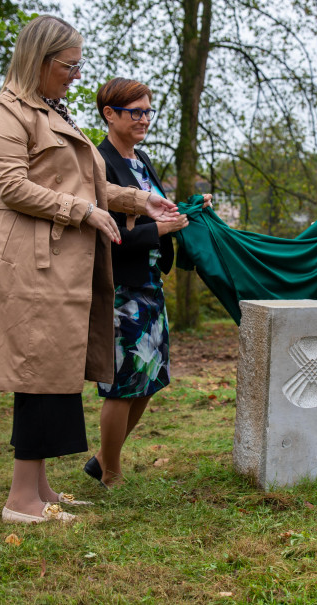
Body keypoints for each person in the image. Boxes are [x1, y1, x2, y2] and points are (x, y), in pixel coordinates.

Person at [0, 16, 178, 524]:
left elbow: (89, 183)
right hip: (30, 265)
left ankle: (40, 490)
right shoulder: (6, 114)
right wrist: (83, 212)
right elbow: (11, 187)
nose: (75, 74)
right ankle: (21, 502)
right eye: (68, 65)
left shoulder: (53, 113)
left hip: (61, 265)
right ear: (38, 60)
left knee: (53, 374)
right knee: (38, 374)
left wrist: (140, 200)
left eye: (78, 64)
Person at [81, 78, 211, 488]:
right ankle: (111, 473)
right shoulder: (98, 164)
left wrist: (186, 210)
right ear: (110, 114)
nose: (144, 119)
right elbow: (106, 237)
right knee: (121, 386)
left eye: (148, 111)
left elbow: (156, 215)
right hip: (120, 289)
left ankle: (103, 459)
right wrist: (160, 231)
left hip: (150, 284)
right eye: (135, 112)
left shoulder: (142, 160)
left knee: (150, 380)